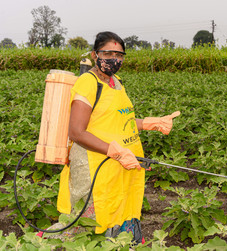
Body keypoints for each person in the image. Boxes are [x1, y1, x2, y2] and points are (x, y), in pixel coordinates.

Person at [45, 31, 180, 243]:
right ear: (95, 54)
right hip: (93, 163)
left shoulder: (116, 82)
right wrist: (113, 151)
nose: (114, 59)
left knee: (115, 210)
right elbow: (77, 132)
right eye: (108, 53)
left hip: (119, 163)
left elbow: (115, 120)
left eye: (119, 54)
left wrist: (148, 123)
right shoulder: (88, 83)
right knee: (83, 221)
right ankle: (38, 244)